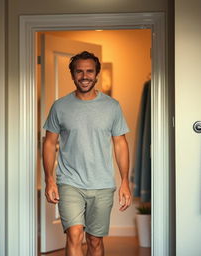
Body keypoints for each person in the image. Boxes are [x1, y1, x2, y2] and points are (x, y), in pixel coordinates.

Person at [42, 51, 131, 256]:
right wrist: (49, 179)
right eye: (79, 71)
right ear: (72, 75)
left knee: (95, 241)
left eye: (89, 71)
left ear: (96, 74)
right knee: (74, 234)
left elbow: (120, 144)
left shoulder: (112, 107)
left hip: (102, 183)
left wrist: (125, 181)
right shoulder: (60, 106)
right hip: (69, 181)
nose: (84, 76)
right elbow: (49, 143)